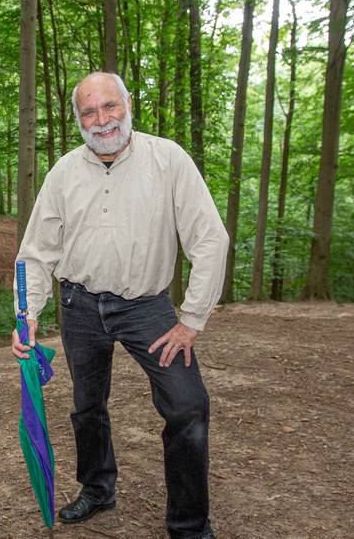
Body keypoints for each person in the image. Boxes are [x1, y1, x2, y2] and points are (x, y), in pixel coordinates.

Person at [11, 72, 228, 539]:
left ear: (128, 104)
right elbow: (36, 252)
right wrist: (25, 315)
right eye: (89, 111)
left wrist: (190, 320)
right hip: (79, 306)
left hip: (147, 308)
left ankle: (189, 526)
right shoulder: (63, 173)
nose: (101, 119)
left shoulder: (167, 159)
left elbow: (210, 239)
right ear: (78, 119)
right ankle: (97, 488)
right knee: (87, 407)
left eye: (110, 106)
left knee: (187, 406)